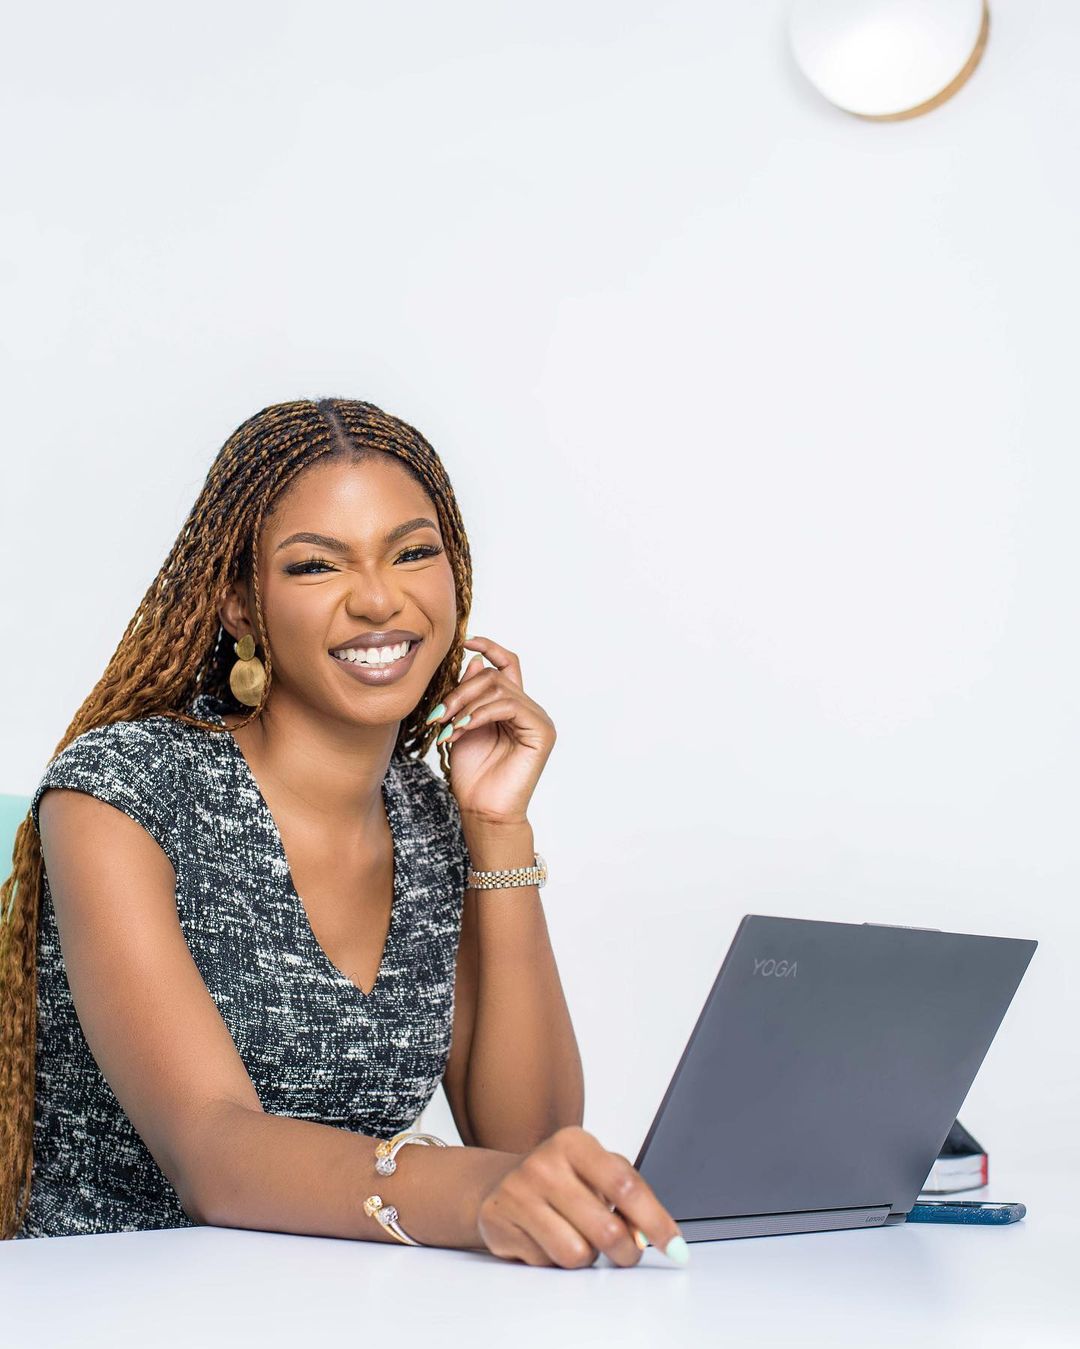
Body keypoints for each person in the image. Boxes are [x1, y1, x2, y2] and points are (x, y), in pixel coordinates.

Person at [0, 397, 689, 1267]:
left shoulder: (430, 817)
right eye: (317, 565)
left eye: (413, 553)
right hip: (104, 1302)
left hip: (331, 1308)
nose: (378, 598)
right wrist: (469, 1191)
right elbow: (211, 1152)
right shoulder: (122, 790)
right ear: (239, 605)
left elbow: (529, 1147)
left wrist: (497, 828)